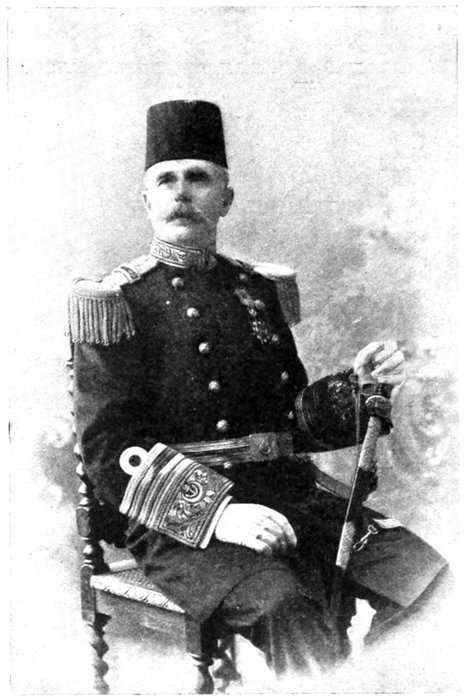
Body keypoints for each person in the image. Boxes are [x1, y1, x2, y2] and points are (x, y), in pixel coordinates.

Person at [69, 100, 449, 689]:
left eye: (198, 177)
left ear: (225, 198)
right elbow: (108, 450)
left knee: (429, 581)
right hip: (183, 527)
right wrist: (220, 514)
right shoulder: (117, 302)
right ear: (146, 199)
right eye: (166, 180)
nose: (181, 192)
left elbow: (292, 419)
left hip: (291, 495)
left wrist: (358, 387)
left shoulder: (256, 289)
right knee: (290, 611)